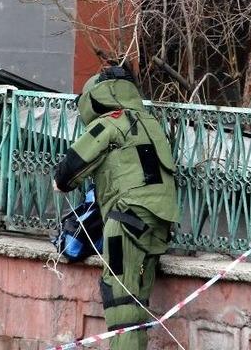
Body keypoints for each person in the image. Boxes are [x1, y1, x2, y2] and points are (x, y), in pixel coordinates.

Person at [52, 66, 179, 350]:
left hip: (126, 219)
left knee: (120, 301)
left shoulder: (111, 122)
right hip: (160, 223)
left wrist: (60, 182)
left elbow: (68, 171)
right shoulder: (150, 123)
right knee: (137, 304)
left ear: (96, 98)